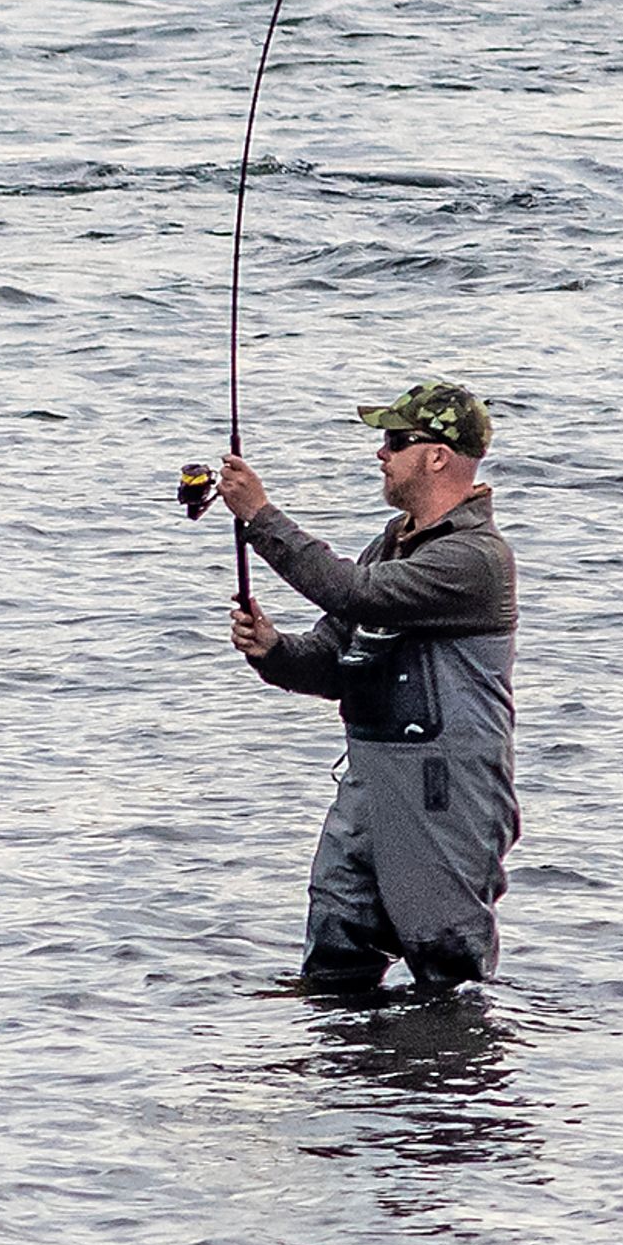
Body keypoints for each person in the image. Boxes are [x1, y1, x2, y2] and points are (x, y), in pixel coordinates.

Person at [218, 379, 520, 992]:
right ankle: (351, 1085)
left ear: (437, 455)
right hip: (369, 781)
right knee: (335, 953)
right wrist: (273, 651)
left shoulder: (474, 559)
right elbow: (332, 662)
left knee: (448, 969)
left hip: (446, 790)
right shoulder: (388, 547)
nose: (380, 453)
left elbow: (353, 593)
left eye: (394, 441)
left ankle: (453, 1084)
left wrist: (260, 516)